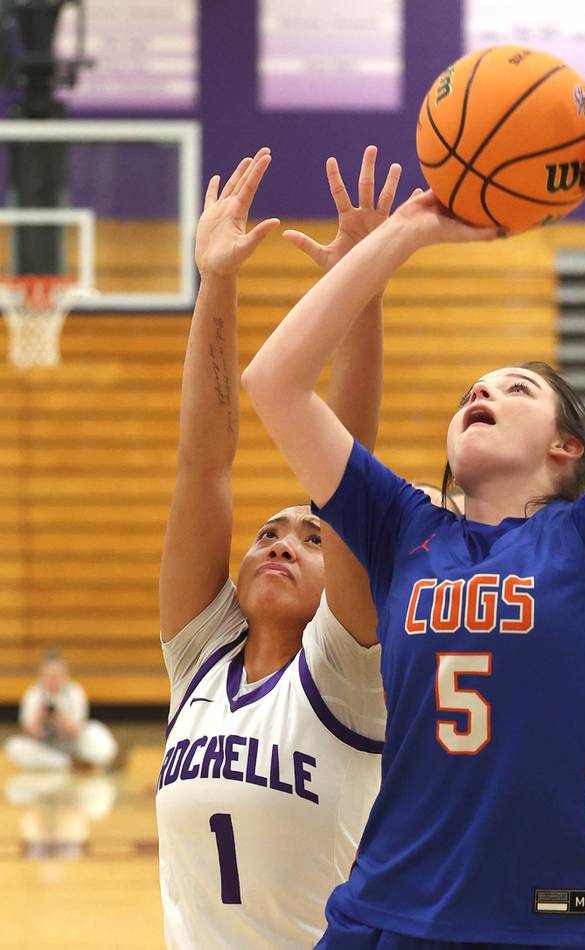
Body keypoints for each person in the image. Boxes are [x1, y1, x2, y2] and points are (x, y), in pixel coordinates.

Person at [242, 77, 585, 949]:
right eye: (474, 387)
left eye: (517, 388)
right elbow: (273, 382)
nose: (483, 390)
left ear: (565, 448)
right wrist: (403, 235)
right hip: (381, 917)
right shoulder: (403, 529)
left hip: (543, 925)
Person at [156, 145, 401, 948]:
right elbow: (203, 464)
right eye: (268, 533)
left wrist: (359, 282)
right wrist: (217, 281)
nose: (281, 542)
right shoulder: (199, 663)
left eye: (311, 535)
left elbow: (351, 462)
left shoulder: (345, 676)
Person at [4, 650, 117, 771]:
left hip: (72, 744)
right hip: (46, 748)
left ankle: (87, 762)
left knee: (96, 733)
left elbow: (75, 731)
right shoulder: (34, 694)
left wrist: (60, 718)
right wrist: (39, 716)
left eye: (57, 675)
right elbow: (31, 734)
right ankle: (67, 765)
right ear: (41, 676)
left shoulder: (75, 692)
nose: (53, 680)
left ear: (65, 676)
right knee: (14, 746)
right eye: (49, 676)